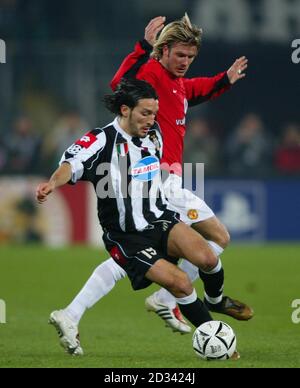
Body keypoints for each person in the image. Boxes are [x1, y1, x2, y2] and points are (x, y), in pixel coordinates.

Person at [36, 79, 237, 357]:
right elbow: (71, 165)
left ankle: (212, 301)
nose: (151, 120)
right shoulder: (100, 139)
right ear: (125, 110)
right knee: (180, 282)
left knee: (207, 257)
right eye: (145, 113)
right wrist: (52, 184)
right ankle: (215, 339)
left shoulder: (154, 135)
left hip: (159, 218)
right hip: (126, 235)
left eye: (154, 113)